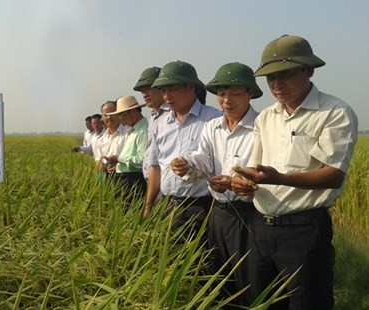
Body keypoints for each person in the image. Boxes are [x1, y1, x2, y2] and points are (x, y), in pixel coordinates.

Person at [231, 35, 358, 309]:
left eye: (284, 75)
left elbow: (333, 174)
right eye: (270, 78)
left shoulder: (334, 113)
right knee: (263, 303)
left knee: (307, 303)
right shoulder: (266, 117)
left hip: (304, 231)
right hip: (261, 228)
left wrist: (279, 178)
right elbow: (257, 168)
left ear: (308, 71)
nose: (277, 84)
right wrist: (244, 182)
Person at [170, 62, 262, 306]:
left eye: (235, 93)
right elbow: (204, 158)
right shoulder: (213, 127)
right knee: (219, 273)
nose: (226, 101)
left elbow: (265, 170)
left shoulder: (262, 127)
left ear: (250, 93)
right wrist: (187, 164)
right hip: (218, 212)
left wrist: (236, 183)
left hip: (251, 215)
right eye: (221, 94)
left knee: (249, 277)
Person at [145, 60, 222, 243]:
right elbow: (156, 167)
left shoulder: (214, 119)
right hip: (167, 205)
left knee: (200, 264)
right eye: (163, 91)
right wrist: (149, 206)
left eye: (172, 89)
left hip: (201, 208)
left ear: (191, 88)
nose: (167, 96)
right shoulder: (161, 124)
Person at [105, 95, 148, 201]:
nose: (121, 120)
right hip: (124, 179)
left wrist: (118, 159)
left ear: (133, 111)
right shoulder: (134, 130)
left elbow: (143, 161)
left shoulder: (143, 131)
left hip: (133, 182)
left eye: (122, 115)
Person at [133, 66, 169, 180]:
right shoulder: (153, 117)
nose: (144, 94)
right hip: (151, 180)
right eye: (142, 91)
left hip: (165, 182)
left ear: (162, 88)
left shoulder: (173, 115)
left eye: (149, 88)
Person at [93, 101, 127, 173]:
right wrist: (104, 165)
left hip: (124, 175)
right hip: (106, 176)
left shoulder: (128, 133)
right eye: (106, 115)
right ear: (102, 117)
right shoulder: (101, 139)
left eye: (112, 113)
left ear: (119, 114)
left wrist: (118, 167)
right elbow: (98, 160)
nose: (109, 117)